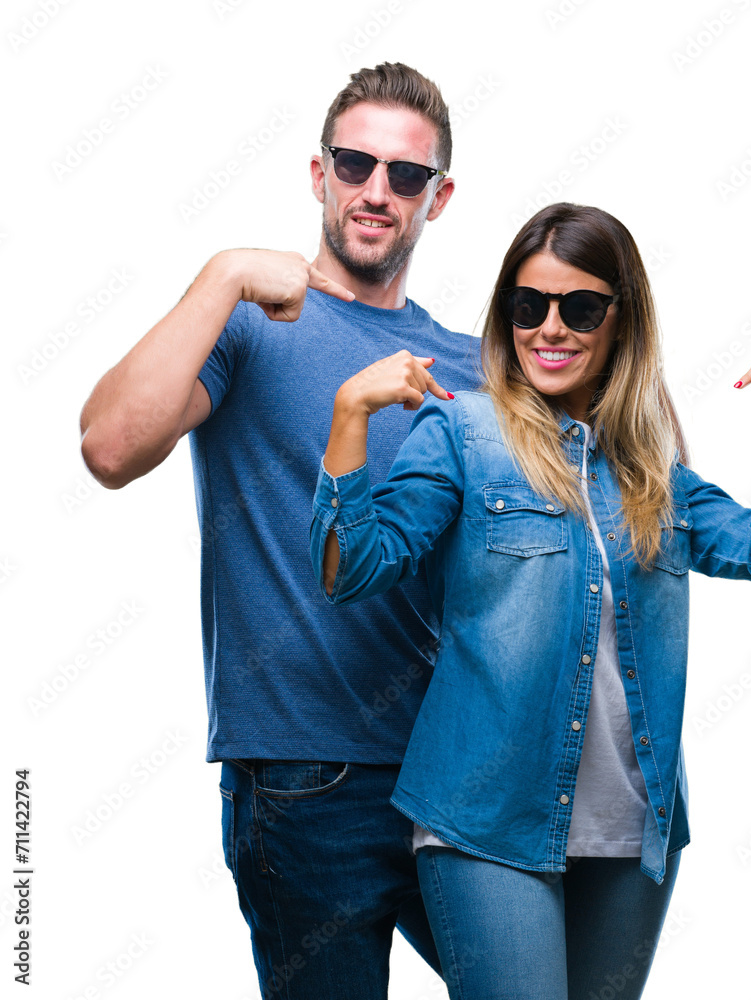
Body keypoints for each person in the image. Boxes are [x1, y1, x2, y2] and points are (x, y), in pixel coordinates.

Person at [310, 202, 751, 1000]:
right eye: (529, 307)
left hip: (634, 832)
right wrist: (349, 413)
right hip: (485, 818)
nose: (550, 330)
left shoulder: (651, 471)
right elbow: (351, 569)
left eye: (581, 308)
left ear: (620, 321)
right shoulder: (464, 436)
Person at [78, 63, 481, 999]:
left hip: (459, 769)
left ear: (439, 197)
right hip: (308, 779)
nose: (376, 191)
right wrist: (220, 276)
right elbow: (109, 446)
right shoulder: (247, 324)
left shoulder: (465, 363)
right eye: (354, 164)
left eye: (406, 175)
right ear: (319, 173)